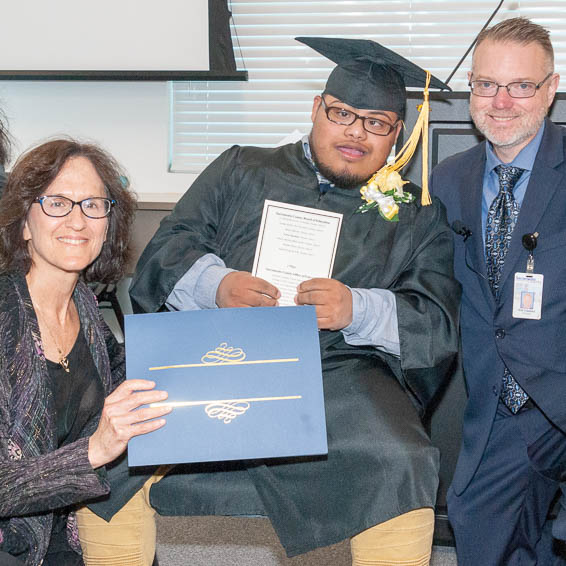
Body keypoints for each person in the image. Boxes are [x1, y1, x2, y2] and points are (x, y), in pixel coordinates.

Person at [111, 37, 461, 566]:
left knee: (404, 459)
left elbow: (435, 321)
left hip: (341, 375)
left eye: (377, 122)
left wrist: (357, 309)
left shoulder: (415, 215)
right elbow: (167, 249)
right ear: (316, 109)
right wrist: (217, 286)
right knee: (114, 448)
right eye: (343, 113)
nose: (355, 133)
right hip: (220, 357)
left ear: (396, 134)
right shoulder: (241, 169)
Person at [430, 17, 566, 566]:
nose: (501, 101)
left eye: (520, 86)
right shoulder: (448, 179)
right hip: (506, 405)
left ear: (551, 89)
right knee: (482, 531)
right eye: (487, 84)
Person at [0, 139, 172, 566]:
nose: (78, 220)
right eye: (58, 203)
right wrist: (95, 449)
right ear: (24, 223)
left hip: (66, 519)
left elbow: (118, 372)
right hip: (14, 538)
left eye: (93, 205)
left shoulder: (84, 304)